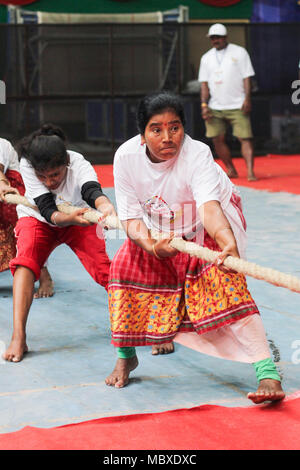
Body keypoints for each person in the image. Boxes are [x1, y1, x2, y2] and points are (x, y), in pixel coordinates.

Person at [105, 91, 285, 405]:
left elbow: (209, 209)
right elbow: (132, 218)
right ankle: (125, 356)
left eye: (174, 127)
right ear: (142, 133)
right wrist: (151, 246)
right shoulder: (125, 157)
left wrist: (226, 243)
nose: (166, 137)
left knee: (227, 285)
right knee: (122, 270)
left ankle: (267, 370)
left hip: (210, 223)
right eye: (156, 129)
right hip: (160, 228)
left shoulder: (197, 154)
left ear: (184, 129)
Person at [2, 124, 115, 363]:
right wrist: (68, 218)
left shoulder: (79, 164)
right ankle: (19, 335)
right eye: (43, 176)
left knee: (104, 270)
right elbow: (47, 209)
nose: (49, 182)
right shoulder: (27, 163)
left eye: (55, 175)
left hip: (79, 219)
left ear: (66, 164)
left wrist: (105, 209)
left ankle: (144, 326)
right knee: (24, 265)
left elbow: (92, 191)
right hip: (39, 219)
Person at [198, 23, 257, 181]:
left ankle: (250, 171)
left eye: (218, 37)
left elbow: (247, 77)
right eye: (212, 38)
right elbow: (204, 84)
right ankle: (230, 169)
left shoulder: (239, 52)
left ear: (225, 37)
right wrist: (204, 105)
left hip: (237, 104)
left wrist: (247, 99)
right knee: (216, 138)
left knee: (245, 138)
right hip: (215, 106)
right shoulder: (206, 58)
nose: (215, 40)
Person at [0, 137, 53, 298]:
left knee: (25, 236)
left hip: (11, 198)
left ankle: (45, 278)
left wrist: (2, 186)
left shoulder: (1, 144)